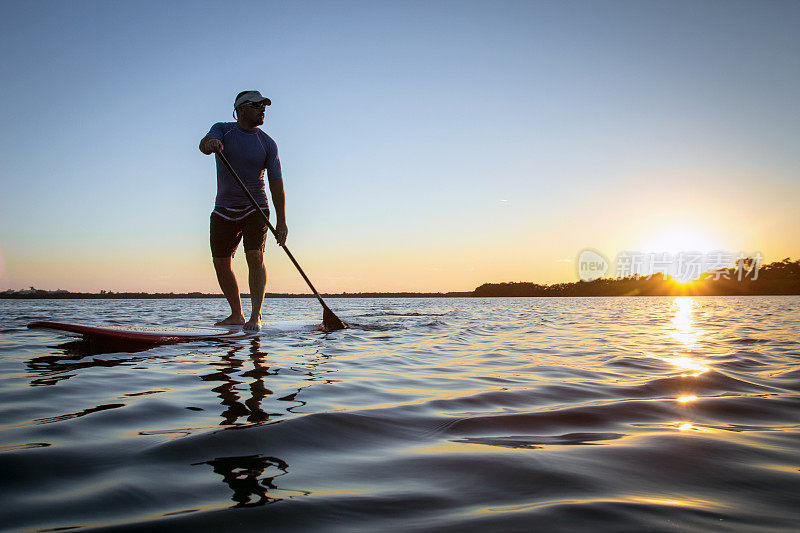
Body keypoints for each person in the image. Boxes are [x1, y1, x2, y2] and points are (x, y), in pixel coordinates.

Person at [199, 90, 288, 331]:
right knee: (220, 262)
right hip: (223, 209)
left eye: (264, 106)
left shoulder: (267, 143)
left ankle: (255, 315)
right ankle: (236, 314)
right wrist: (211, 144)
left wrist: (281, 222)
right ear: (241, 109)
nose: (263, 110)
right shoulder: (223, 129)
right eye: (257, 105)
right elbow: (203, 145)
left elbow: (277, 186)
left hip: (256, 207)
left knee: (254, 256)